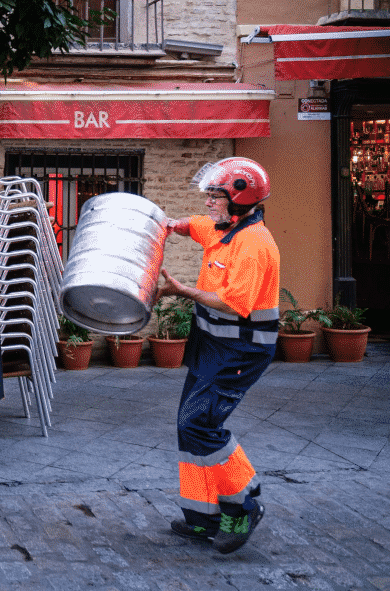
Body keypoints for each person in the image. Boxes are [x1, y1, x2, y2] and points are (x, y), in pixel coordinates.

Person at [156, 157, 279, 555]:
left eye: (215, 196)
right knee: (186, 426)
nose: (209, 203)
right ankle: (202, 516)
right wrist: (172, 225)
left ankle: (243, 504)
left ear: (239, 200)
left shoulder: (255, 244)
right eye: (209, 195)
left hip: (239, 350)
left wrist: (183, 291)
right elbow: (196, 225)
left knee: (200, 426)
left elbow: (232, 304)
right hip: (212, 347)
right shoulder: (226, 229)